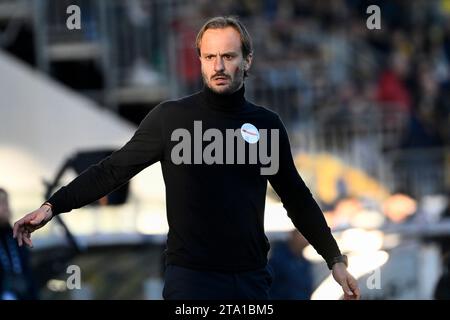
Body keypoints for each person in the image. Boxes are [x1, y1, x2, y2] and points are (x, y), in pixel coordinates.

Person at [13, 16, 360, 300]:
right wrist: (52, 206)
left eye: (229, 56)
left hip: (251, 279)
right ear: (200, 61)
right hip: (192, 281)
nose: (219, 66)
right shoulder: (172, 119)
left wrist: (334, 258)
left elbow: (297, 199)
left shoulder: (266, 125)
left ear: (247, 60)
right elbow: (113, 170)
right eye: (210, 57)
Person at [0, 188, 37, 300]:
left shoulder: (16, 235)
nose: (6, 207)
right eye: (1, 203)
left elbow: (28, 272)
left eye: (6, 202)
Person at [268, 230, 313, 300]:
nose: (305, 239)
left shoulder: (305, 264)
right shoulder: (276, 258)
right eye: (302, 235)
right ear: (293, 234)